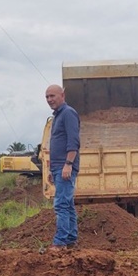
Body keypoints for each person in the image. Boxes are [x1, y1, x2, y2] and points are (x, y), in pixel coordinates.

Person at [44, 84, 80, 249]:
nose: (50, 99)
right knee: (68, 203)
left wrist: (68, 164)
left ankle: (60, 243)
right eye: (47, 97)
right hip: (58, 168)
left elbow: (73, 142)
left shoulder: (68, 113)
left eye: (52, 96)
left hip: (65, 167)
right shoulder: (58, 116)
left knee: (61, 204)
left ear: (62, 95)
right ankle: (70, 239)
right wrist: (53, 170)